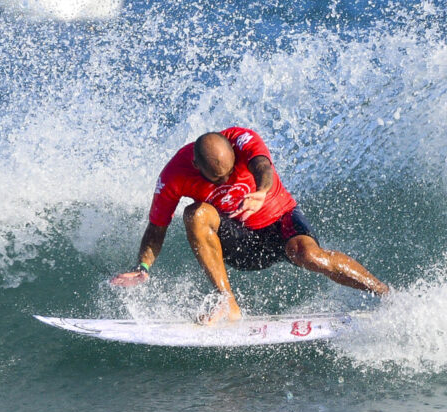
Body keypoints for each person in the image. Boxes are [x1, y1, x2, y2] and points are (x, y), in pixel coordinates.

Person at [110, 127, 389, 323]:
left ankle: (386, 294)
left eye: (230, 172)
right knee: (195, 214)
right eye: (217, 179)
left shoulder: (243, 139)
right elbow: (156, 227)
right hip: (240, 242)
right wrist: (143, 267)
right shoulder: (173, 176)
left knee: (309, 255)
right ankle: (227, 303)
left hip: (281, 221)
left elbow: (263, 166)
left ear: (233, 151)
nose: (226, 182)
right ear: (195, 165)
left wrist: (262, 191)